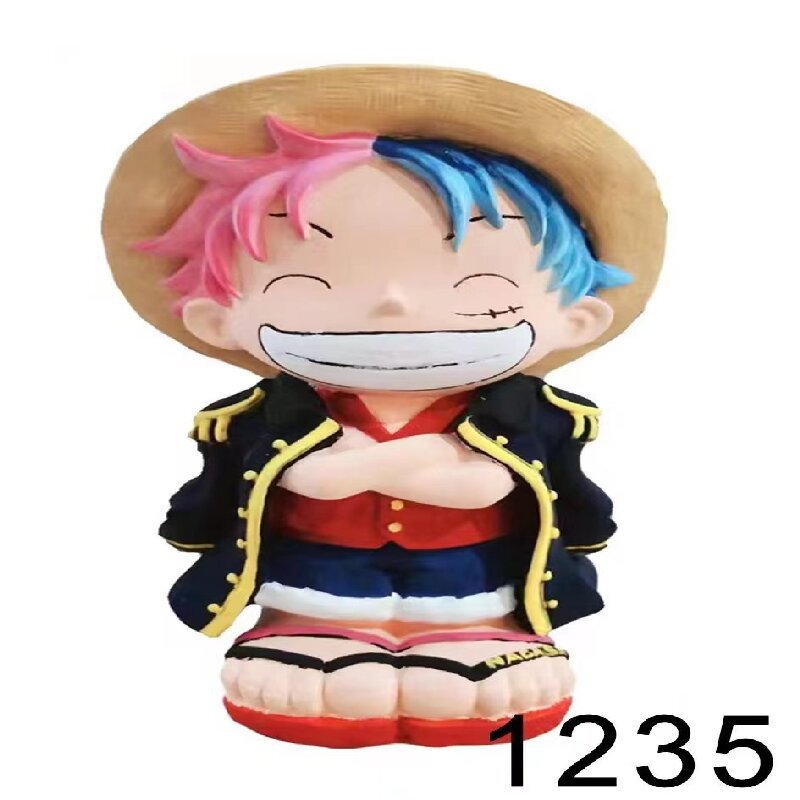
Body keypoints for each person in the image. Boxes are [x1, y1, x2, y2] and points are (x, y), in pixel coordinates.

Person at [103, 66, 665, 747]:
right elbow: (215, 497)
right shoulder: (252, 418)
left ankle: (478, 638)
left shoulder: (542, 416)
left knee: (464, 673)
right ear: (213, 319)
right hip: (314, 578)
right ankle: (312, 636)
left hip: (474, 580)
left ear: (578, 318)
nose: (393, 303)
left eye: (479, 283)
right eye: (306, 282)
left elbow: (565, 500)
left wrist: (388, 470)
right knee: (329, 669)